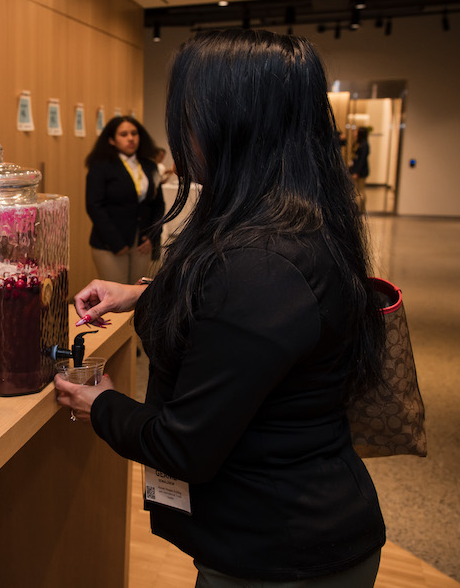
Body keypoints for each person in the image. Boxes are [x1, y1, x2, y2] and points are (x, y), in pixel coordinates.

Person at [56, 29, 386, 585]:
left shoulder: (258, 266)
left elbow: (182, 446)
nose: (177, 134)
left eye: (187, 114)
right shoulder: (291, 222)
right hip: (283, 531)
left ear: (236, 123)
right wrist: (140, 293)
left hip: (281, 553)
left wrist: (103, 403)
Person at [84, 115, 165, 285]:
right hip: (110, 243)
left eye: (134, 133)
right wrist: (116, 242)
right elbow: (94, 206)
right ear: (112, 140)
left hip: (142, 243)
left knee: (138, 294)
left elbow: (158, 205)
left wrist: (152, 236)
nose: (130, 138)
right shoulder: (101, 166)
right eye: (124, 134)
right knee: (115, 299)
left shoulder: (149, 166)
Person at [350, 126, 370, 211]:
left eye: (356, 131)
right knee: (357, 190)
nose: (354, 133)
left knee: (360, 190)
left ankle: (360, 209)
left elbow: (362, 160)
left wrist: (357, 172)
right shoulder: (358, 143)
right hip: (355, 170)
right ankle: (359, 208)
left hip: (360, 172)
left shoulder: (364, 145)